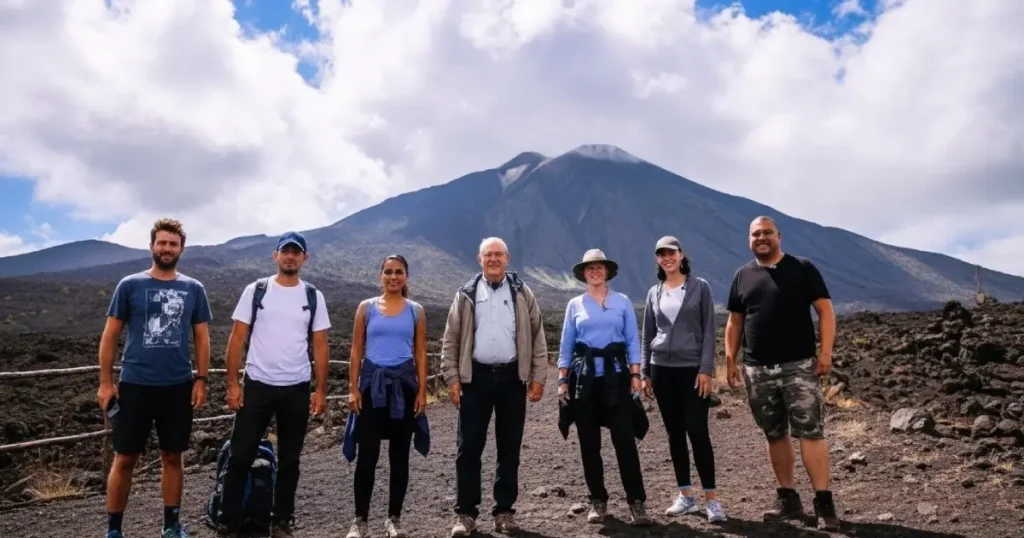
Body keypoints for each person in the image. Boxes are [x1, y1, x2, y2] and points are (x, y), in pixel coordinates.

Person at [97, 218, 212, 538]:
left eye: (173, 244)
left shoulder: (193, 289)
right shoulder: (130, 285)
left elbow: (201, 337)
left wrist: (201, 379)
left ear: (181, 249)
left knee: (173, 456)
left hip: (177, 386)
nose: (167, 248)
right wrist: (106, 383)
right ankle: (114, 530)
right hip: (135, 385)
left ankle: (171, 526)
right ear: (151, 246)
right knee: (125, 457)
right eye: (161, 243)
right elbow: (110, 336)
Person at [724, 216, 840, 531]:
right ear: (749, 239)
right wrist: (730, 359)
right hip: (757, 368)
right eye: (755, 234)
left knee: (811, 431)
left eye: (767, 233)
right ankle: (788, 498)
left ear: (779, 236)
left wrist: (825, 351)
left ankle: (824, 503)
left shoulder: (802, 268)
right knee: (774, 433)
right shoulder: (742, 275)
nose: (761, 238)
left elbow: (825, 310)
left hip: (799, 365)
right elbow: (735, 321)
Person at [216, 231, 331, 538]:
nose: (290, 256)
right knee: (240, 455)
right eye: (285, 251)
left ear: (304, 258)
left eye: (296, 252)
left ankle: (281, 520)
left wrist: (320, 390)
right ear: (275, 256)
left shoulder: (313, 296)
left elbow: (320, 345)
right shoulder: (257, 291)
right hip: (257, 385)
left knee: (291, 459)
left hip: (296, 387)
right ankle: (230, 521)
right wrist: (233, 385)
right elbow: (237, 338)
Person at [440, 237, 548, 537]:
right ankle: (465, 514)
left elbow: (538, 335)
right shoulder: (466, 294)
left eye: (498, 255)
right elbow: (451, 339)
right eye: (488, 255)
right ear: (479, 259)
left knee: (509, 447)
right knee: (468, 448)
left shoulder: (522, 293)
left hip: (513, 379)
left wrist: (538, 377)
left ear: (508, 258)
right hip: (475, 379)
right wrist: (452, 378)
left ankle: (504, 512)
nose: (494, 260)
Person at [557, 248, 652, 527]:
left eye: (599, 267)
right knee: (589, 444)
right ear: (584, 274)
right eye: (590, 268)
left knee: (625, 443)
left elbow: (633, 340)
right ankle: (597, 501)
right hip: (585, 382)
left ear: (607, 271)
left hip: (617, 379)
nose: (595, 271)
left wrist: (636, 374)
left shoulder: (622, 302)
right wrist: (563, 381)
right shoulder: (575, 304)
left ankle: (637, 503)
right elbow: (566, 345)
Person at [640, 236, 726, 522]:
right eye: (661, 254)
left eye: (671, 253)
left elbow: (708, 330)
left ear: (681, 255)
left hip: (692, 370)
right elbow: (647, 336)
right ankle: (686, 495)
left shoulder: (700, 287)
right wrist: (645, 373)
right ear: (657, 259)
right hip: (661, 369)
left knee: (698, 431)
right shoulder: (654, 292)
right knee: (674, 433)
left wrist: (706, 370)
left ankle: (712, 500)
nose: (667, 258)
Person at [343, 254, 429, 538]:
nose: (394, 277)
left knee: (399, 456)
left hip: (403, 387)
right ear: (380, 275)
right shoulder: (365, 308)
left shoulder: (416, 310)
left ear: (406, 277)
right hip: (371, 387)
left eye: (399, 272)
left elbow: (419, 352)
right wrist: (353, 388)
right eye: (389, 272)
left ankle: (394, 519)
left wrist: (422, 390)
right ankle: (360, 520)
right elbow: (356, 350)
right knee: (367, 454)